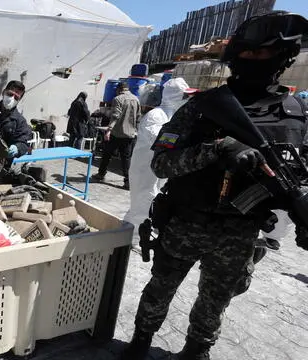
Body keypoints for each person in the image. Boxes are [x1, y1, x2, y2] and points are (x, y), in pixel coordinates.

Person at [121, 12, 308, 360]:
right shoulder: (205, 106)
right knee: (159, 291)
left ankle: (195, 351)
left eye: (262, 54)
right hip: (188, 222)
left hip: (241, 231)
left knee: (216, 300)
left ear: (283, 57)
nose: (251, 62)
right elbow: (161, 163)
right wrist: (218, 149)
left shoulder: (295, 112)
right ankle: (140, 343)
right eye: (246, 54)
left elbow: (298, 172)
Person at [123, 78, 191, 245]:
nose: (187, 100)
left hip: (158, 170)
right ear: (174, 96)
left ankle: (125, 231)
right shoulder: (155, 116)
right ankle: (135, 240)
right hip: (144, 171)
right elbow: (163, 141)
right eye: (184, 96)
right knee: (143, 203)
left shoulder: (173, 117)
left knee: (150, 203)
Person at [93, 82, 141, 190]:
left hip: (117, 133)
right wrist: (136, 131)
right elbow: (138, 117)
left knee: (107, 154)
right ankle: (128, 182)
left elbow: (115, 116)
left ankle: (101, 174)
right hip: (129, 135)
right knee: (126, 159)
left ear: (119, 89)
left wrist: (109, 130)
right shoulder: (136, 99)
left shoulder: (118, 99)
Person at [0, 80, 33, 166]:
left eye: (16, 97)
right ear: (3, 92)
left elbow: (24, 143)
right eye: (10, 94)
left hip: (2, 164)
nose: (12, 98)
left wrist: (17, 148)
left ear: (19, 100)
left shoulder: (20, 122)